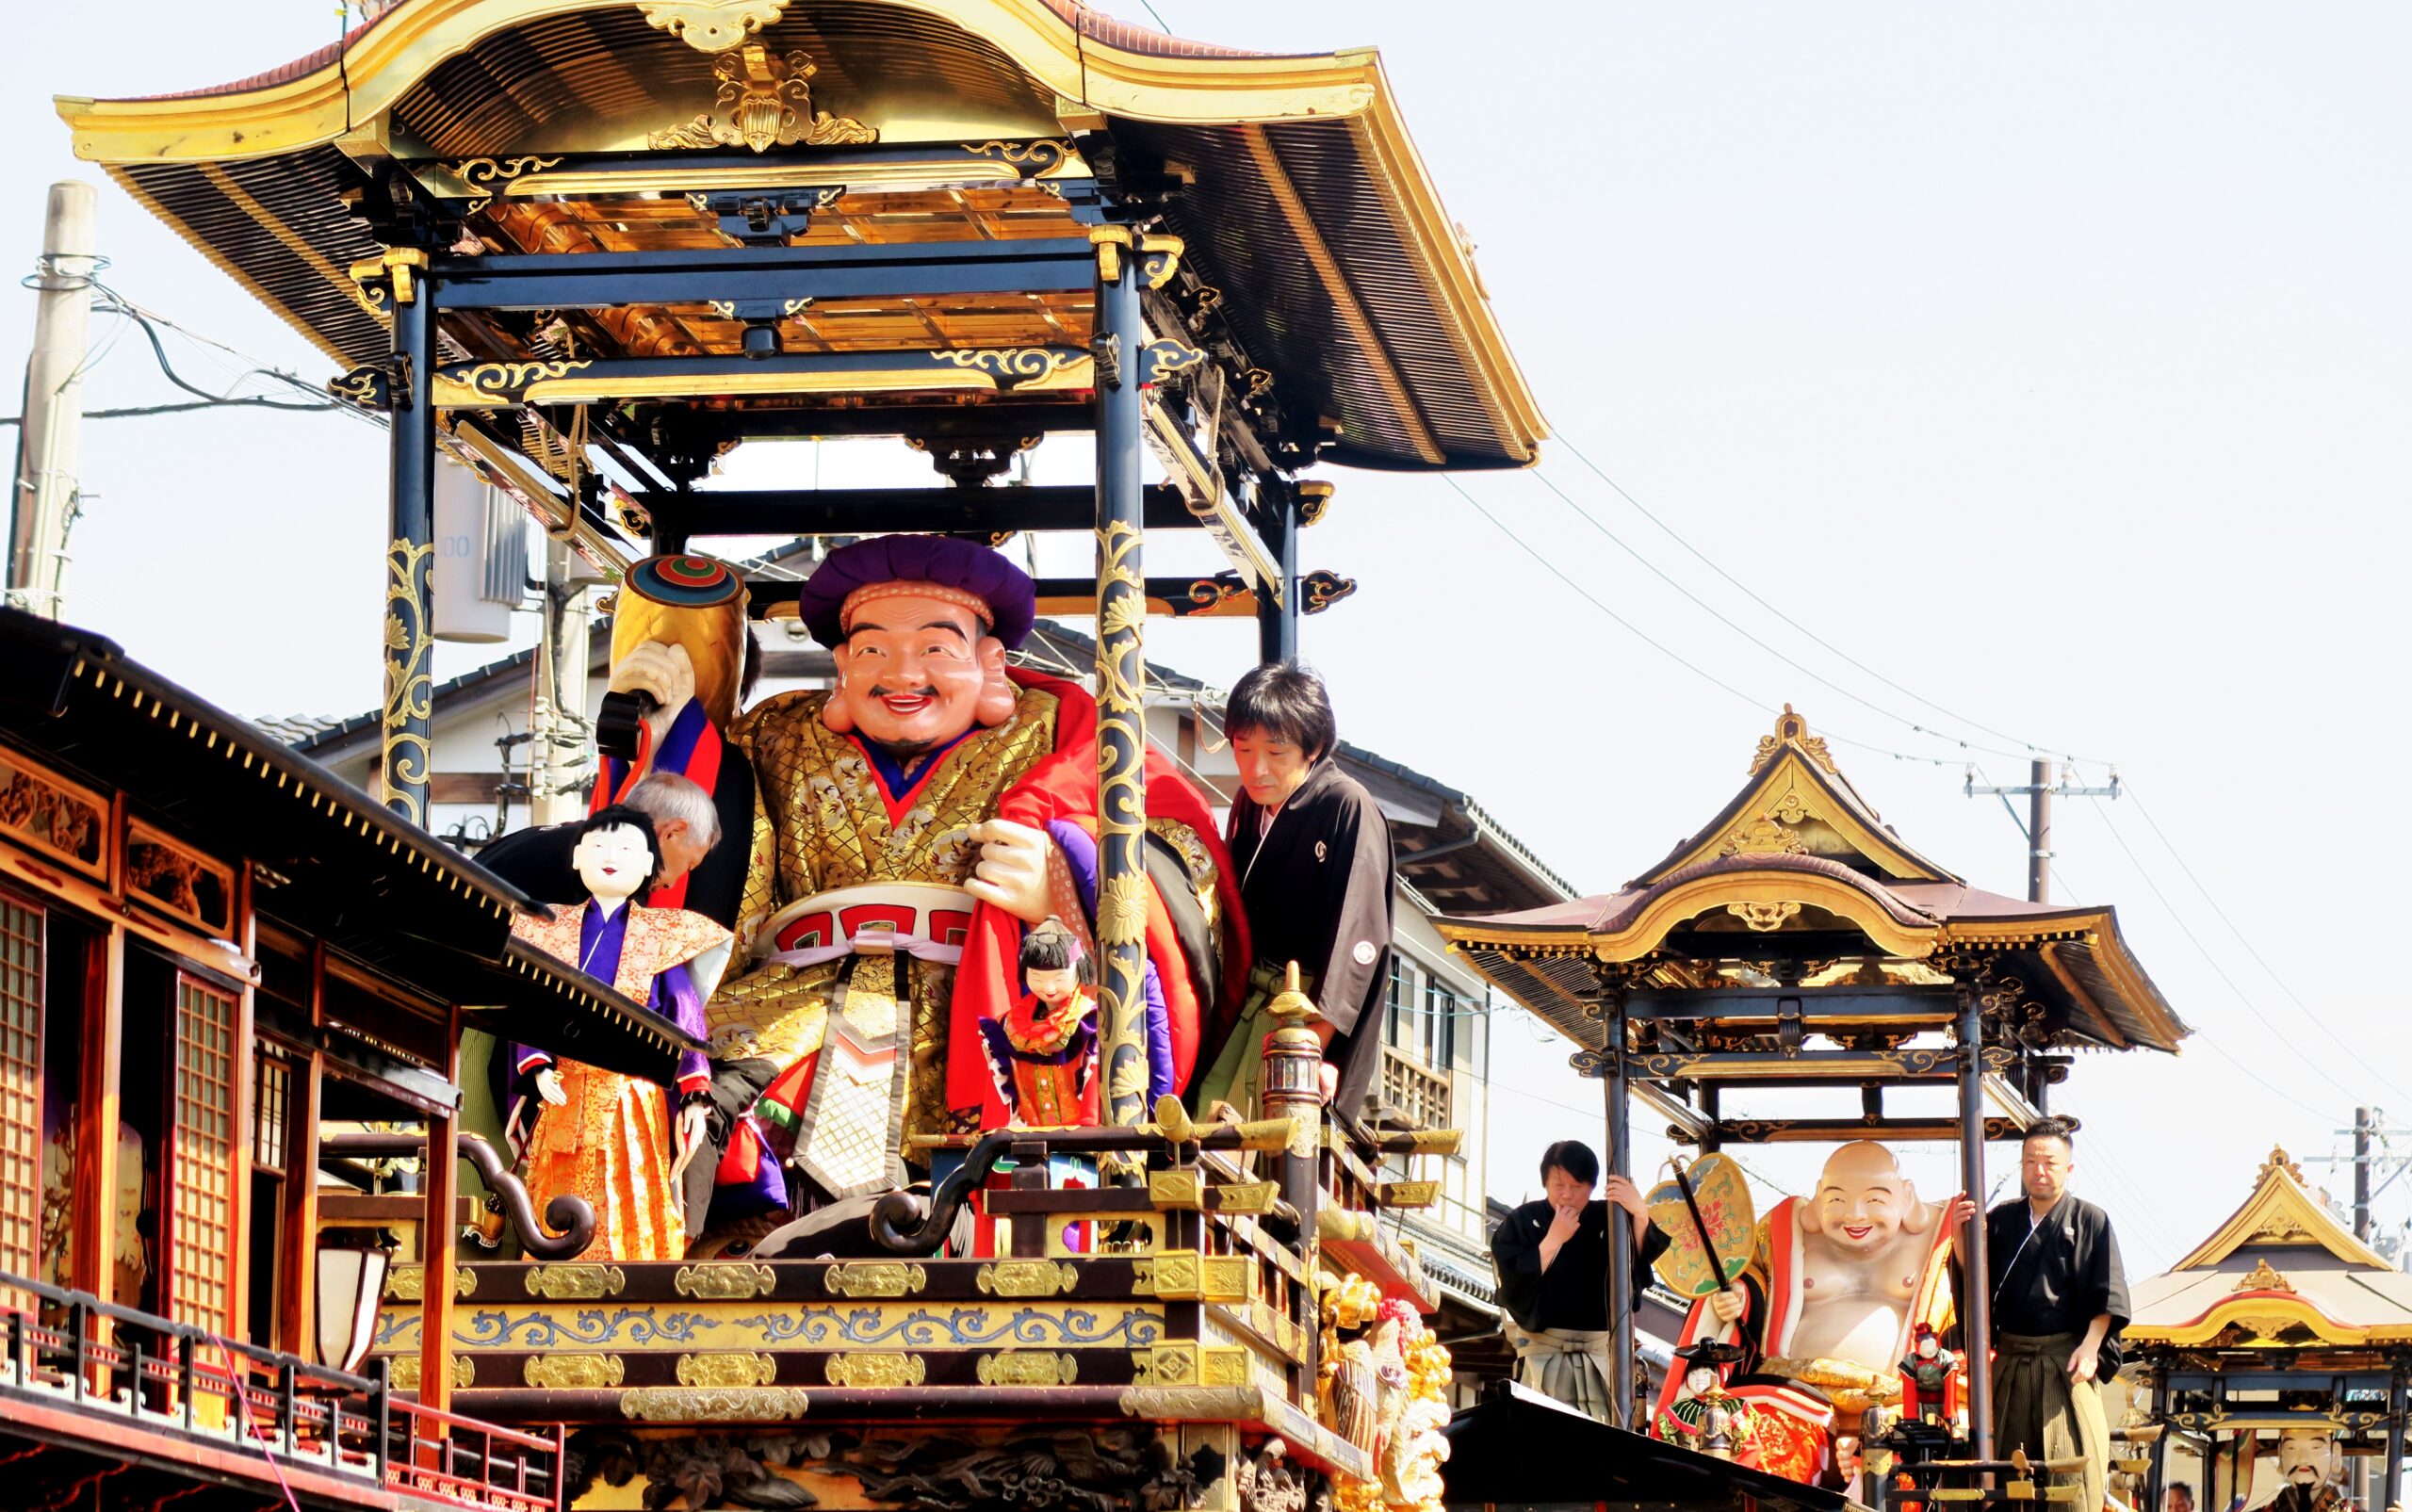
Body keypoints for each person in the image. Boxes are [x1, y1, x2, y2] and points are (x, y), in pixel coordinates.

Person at [689, 534, 1242, 1236]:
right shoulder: (773, 736)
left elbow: (1185, 857)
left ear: (989, 663)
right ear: (839, 665)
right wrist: (665, 714)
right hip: (795, 999)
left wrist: (1065, 888)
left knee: (1008, 1155)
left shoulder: (1060, 736)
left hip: (973, 1014)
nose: (902, 674)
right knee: (686, 1094)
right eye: (872, 651)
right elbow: (703, 854)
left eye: (935, 650)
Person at [506, 805, 729, 1260]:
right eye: (599, 846)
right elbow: (532, 1005)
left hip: (630, 1091)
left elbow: (682, 1015)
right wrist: (537, 1064)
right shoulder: (547, 927)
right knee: (556, 1192)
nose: (611, 856)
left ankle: (632, 1272)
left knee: (631, 1183)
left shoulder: (663, 934)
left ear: (649, 864)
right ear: (577, 858)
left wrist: (694, 1092)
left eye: (627, 848)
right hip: (564, 1088)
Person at [1192, 661, 1394, 1124]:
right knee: (1206, 1108)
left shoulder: (1347, 806)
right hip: (1247, 996)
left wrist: (1315, 1045)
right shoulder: (1249, 804)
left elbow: (1358, 939)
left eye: (1275, 753)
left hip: (1306, 1011)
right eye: (1242, 749)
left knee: (1251, 1134)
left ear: (1313, 748)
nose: (1255, 768)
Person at [1949, 1115, 2129, 1512]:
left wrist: (2090, 1348)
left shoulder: (2090, 1220)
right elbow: (1975, 1280)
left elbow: (2108, 1292)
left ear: (2069, 1167)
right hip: (2011, 1364)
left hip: (2066, 1361)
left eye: (2049, 1162)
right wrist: (1959, 1237)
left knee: (2074, 1471)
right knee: (2003, 1476)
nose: (2039, 1171)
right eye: (2030, 1161)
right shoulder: (2002, 1218)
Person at [1490, 1139, 1670, 1422]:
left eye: (1577, 1187)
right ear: (1545, 1182)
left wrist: (1640, 1213)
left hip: (1601, 1357)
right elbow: (1514, 1283)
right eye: (1558, 1185)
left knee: (1602, 1436)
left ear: (1591, 1186)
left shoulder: (1608, 1217)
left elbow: (1638, 1262)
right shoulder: (1523, 1220)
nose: (1567, 1195)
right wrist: (1554, 1239)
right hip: (1544, 1356)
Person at [475, 770, 732, 926]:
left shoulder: (566, 834)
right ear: (672, 833)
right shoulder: (612, 866)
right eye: (689, 865)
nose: (672, 884)